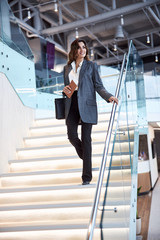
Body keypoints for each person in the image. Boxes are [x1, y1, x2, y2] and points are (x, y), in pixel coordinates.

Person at [63, 39, 118, 185]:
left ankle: (86, 177)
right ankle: (87, 158)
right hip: (72, 104)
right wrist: (66, 90)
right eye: (79, 48)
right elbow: (69, 88)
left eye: (84, 47)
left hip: (87, 105)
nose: (82, 50)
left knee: (86, 140)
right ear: (74, 50)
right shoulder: (67, 68)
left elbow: (98, 85)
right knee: (71, 136)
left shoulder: (91, 66)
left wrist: (108, 96)